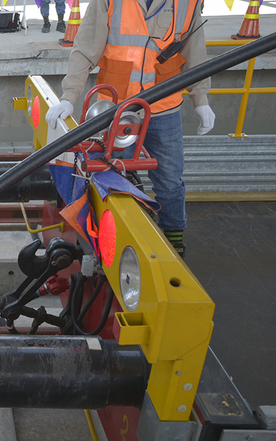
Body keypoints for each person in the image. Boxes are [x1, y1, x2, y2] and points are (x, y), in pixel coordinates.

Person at [45, 0, 214, 257]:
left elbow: (196, 53)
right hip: (117, 109)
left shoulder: (187, 3)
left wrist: (201, 99)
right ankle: (112, 242)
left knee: (169, 180)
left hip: (164, 106)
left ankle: (174, 237)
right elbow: (86, 49)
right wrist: (69, 96)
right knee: (110, 179)